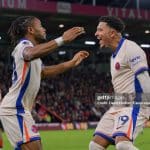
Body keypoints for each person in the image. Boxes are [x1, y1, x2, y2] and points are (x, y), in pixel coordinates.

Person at [0, 16, 89, 150]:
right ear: (30, 30)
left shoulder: (33, 52)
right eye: (40, 26)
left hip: (21, 109)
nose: (44, 29)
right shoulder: (23, 46)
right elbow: (29, 54)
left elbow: (43, 72)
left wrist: (71, 63)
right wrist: (62, 39)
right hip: (15, 108)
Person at [89, 16, 150, 150]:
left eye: (100, 30)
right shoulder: (114, 56)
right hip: (119, 105)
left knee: (123, 145)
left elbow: (144, 79)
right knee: (95, 145)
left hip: (136, 103)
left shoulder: (131, 48)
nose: (96, 33)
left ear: (112, 33)